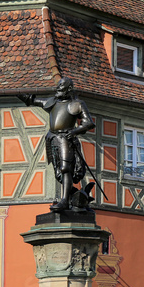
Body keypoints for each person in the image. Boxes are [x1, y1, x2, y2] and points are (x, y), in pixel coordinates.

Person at [18, 78, 95, 212]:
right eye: (58, 87)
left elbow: (89, 123)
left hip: (66, 137)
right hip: (52, 138)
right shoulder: (52, 102)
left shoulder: (77, 104)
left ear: (69, 89)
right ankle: (73, 196)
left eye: (61, 87)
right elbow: (32, 100)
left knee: (66, 168)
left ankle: (65, 200)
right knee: (58, 172)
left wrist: (76, 130)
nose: (57, 89)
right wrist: (18, 91)